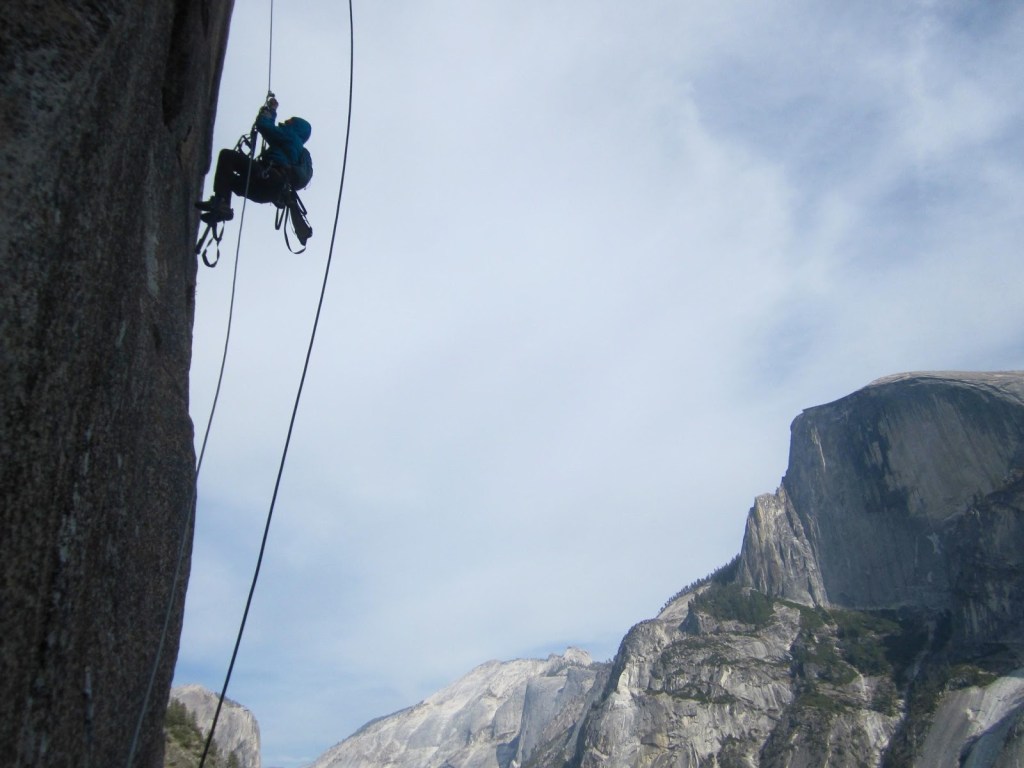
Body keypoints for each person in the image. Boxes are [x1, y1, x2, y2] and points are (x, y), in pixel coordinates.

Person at [196, 97, 312, 224]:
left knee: (227, 156)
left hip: (269, 178)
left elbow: (264, 126)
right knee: (228, 179)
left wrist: (271, 110)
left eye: (290, 121)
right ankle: (221, 210)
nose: (285, 122)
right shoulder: (297, 148)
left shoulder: (291, 135)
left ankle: (222, 203)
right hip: (268, 192)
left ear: (296, 126)